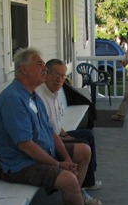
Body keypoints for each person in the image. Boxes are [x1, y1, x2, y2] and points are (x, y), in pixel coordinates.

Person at [0, 48, 114, 205]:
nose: (44, 68)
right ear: (24, 69)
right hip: (19, 164)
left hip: (40, 153)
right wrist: (58, 164)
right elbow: (25, 145)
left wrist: (67, 159)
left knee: (83, 151)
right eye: (39, 64)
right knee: (67, 177)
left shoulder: (32, 95)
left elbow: (51, 132)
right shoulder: (13, 99)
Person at [36, 59, 102, 195]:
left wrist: (65, 133)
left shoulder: (54, 93)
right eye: (56, 75)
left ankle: (87, 182)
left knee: (87, 134)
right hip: (50, 142)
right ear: (46, 74)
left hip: (58, 134)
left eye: (62, 76)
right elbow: (47, 131)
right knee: (83, 145)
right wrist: (62, 136)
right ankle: (78, 193)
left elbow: (56, 123)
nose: (59, 79)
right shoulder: (40, 96)